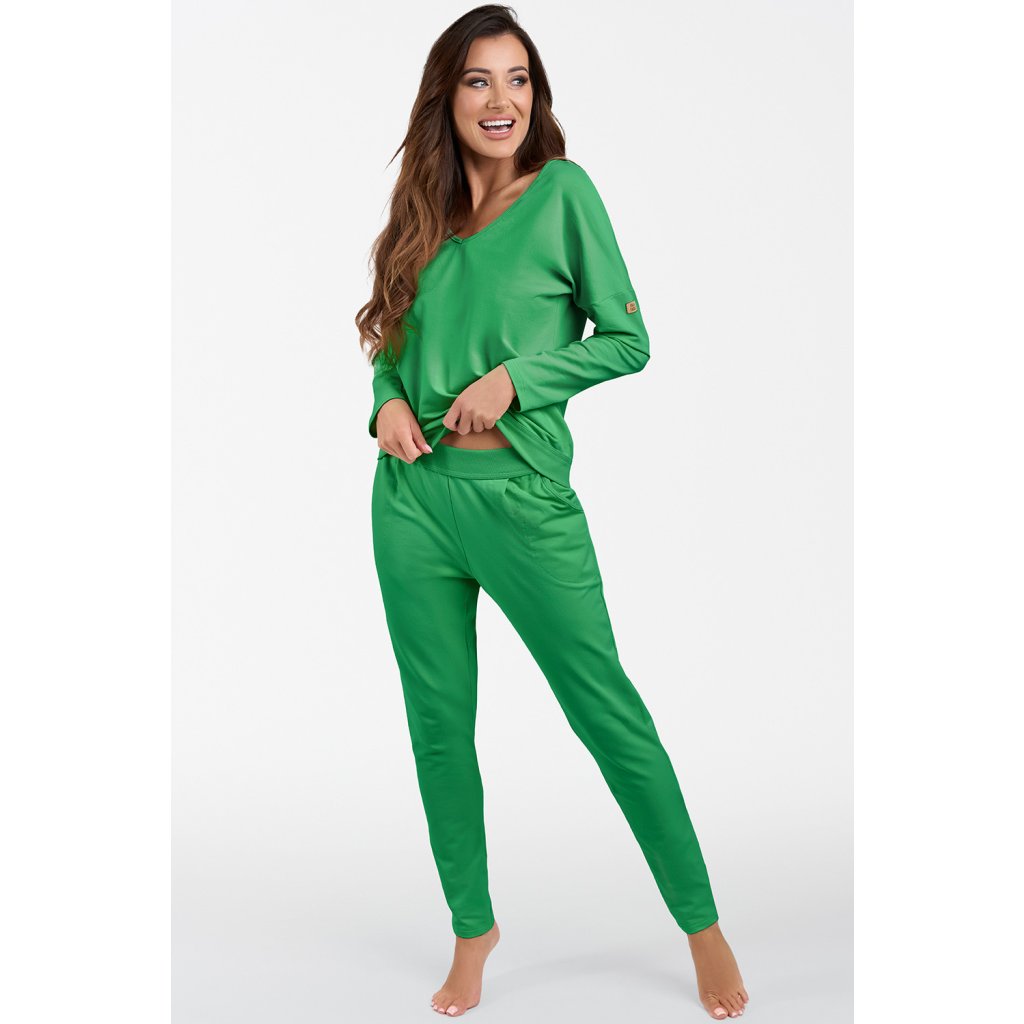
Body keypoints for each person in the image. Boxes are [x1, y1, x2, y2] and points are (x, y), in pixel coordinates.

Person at [356, 6, 749, 1019]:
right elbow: (390, 340)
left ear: (537, 94)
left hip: (522, 502)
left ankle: (702, 925)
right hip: (411, 503)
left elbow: (627, 339)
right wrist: (385, 400)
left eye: (519, 79)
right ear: (447, 97)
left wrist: (517, 381)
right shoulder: (424, 210)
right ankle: (471, 927)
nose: (503, 100)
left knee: (606, 712)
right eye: (479, 80)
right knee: (438, 729)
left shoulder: (565, 194)